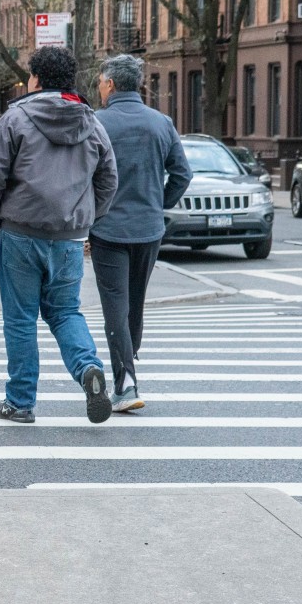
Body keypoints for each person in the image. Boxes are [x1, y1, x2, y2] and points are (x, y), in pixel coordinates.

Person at [0, 46, 119, 424]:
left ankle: (20, 402)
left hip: (20, 233)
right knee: (66, 311)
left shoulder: (15, 118)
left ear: (34, 79)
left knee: (21, 318)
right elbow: (108, 181)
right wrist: (85, 219)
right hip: (70, 238)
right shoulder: (93, 124)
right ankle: (88, 369)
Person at [90, 55, 192, 412]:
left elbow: (83, 177)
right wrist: (157, 202)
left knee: (115, 305)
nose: (100, 88)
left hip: (108, 229)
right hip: (149, 229)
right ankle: (128, 364)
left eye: (101, 82)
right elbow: (182, 174)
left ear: (111, 85)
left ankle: (126, 381)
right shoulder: (161, 123)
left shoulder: (96, 122)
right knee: (135, 301)